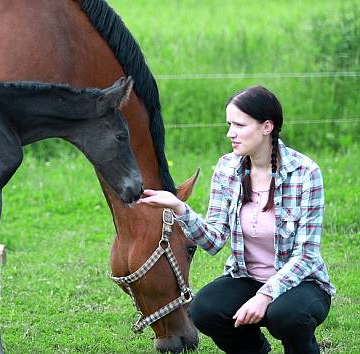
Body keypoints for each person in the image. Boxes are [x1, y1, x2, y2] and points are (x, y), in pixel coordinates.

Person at [137, 85, 334, 354]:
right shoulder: (227, 168)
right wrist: (179, 207)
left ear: (267, 127)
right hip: (247, 277)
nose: (231, 133)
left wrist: (265, 295)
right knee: (205, 310)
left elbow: (307, 256)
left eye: (239, 125)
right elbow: (214, 240)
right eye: (229, 124)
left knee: (285, 315)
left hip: (302, 283)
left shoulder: (305, 173)